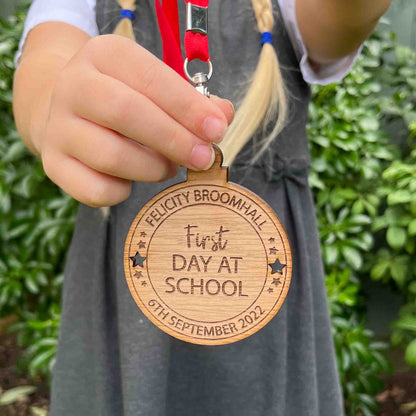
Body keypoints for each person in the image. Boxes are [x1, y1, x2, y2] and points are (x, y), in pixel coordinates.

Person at [13, 0, 391, 415]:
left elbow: (342, 18)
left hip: (268, 309)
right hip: (124, 304)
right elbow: (46, 63)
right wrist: (53, 118)